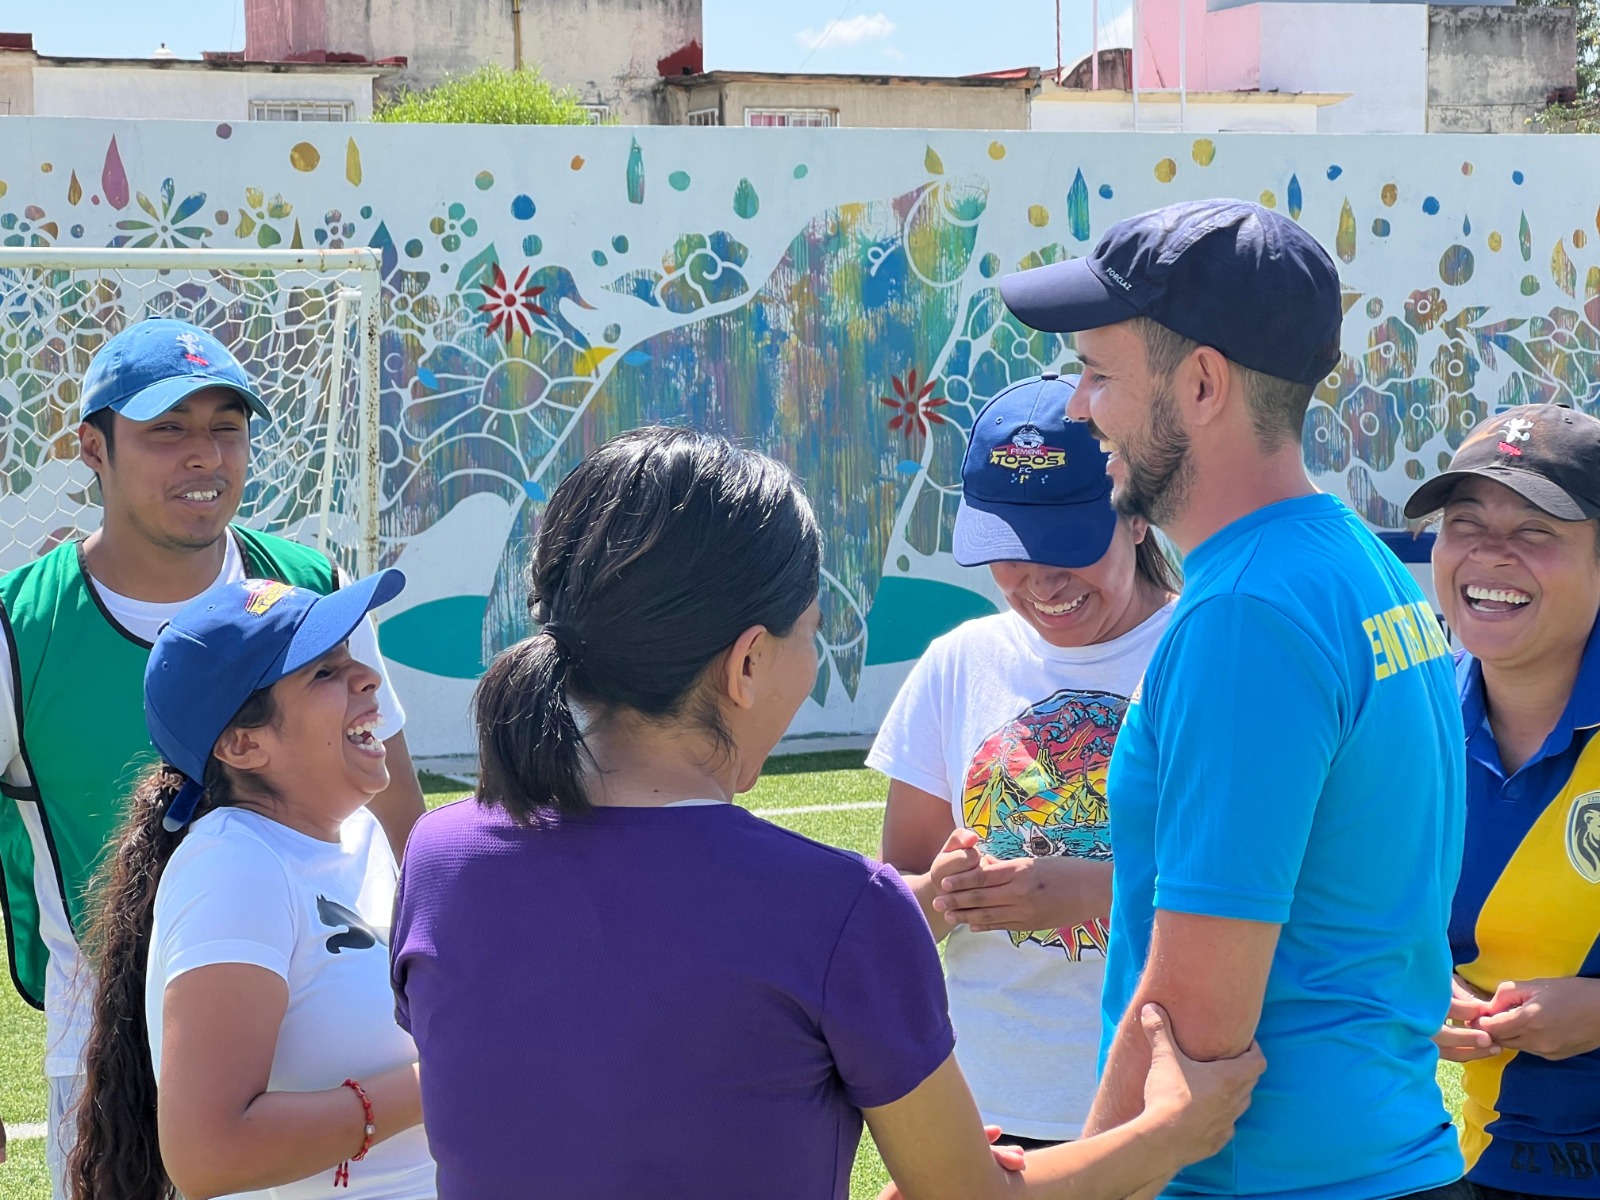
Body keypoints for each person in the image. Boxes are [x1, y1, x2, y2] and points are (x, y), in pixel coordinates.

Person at [390, 426, 1263, 1200]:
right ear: (744, 666)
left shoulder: (437, 856)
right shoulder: (836, 910)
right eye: (810, 630)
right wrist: (1172, 1130)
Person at [999, 198, 1466, 1200]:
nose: (1077, 407)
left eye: (1097, 373)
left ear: (1201, 383)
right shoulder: (1359, 568)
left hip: (1265, 1182)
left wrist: (1067, 1182)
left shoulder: (1246, 613)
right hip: (1383, 1156)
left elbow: (1192, 1024)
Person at [0, 318, 425, 1195]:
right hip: (106, 1059)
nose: (205, 456)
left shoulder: (310, 587)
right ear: (92, 446)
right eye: (167, 430)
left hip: (330, 1036)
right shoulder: (19, 627)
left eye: (226, 427)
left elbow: (403, 832)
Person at [871, 372, 1180, 1148]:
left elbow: (1270, 891)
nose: (1039, 581)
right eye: (1009, 549)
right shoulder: (955, 664)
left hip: (1162, 1110)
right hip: (987, 1114)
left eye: (1068, 545)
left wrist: (1094, 891)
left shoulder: (1203, 652)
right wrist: (941, 892)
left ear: (1138, 516)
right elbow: (895, 906)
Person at [68, 571, 433, 1200]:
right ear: (242, 744)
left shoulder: (363, 839)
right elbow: (209, 1153)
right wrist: (441, 1083)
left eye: (351, 657)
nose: (367, 678)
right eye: (323, 673)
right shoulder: (234, 866)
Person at [1404, 404, 1600, 1198]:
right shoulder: (1401, 722)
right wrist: (1410, 988)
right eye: (1465, 522)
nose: (1490, 554)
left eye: (1536, 531)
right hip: (1454, 1164)